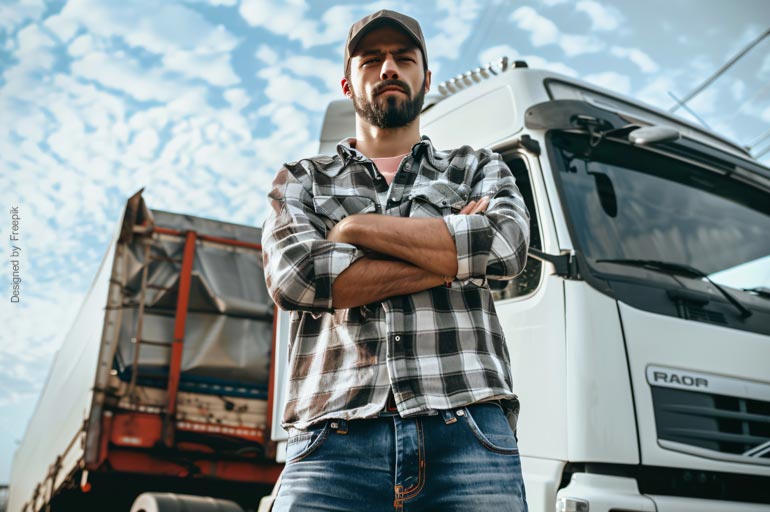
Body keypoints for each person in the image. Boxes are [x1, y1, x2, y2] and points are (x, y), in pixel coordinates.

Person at [262, 9, 530, 511]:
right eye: (372, 60)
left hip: (469, 426)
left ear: (425, 78)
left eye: (403, 59)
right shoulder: (302, 180)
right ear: (348, 83)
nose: (388, 69)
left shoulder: (476, 167)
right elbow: (297, 278)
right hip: (331, 437)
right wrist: (451, 251)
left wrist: (354, 230)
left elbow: (506, 246)